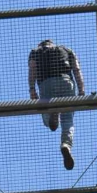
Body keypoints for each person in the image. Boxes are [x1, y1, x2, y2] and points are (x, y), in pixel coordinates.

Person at [28, 40, 85, 171]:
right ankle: (66, 145)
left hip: (45, 84)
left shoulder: (35, 52)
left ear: (40, 45)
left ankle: (52, 116)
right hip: (65, 82)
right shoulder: (66, 50)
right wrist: (81, 89)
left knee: (46, 115)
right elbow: (76, 69)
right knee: (68, 120)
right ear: (52, 44)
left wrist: (32, 89)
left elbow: (32, 69)